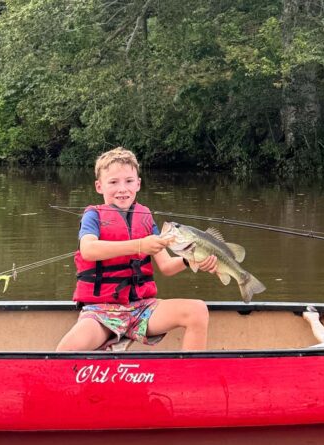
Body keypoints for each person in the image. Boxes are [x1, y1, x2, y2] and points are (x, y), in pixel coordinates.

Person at [56, 147, 218, 351]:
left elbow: (167, 266)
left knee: (197, 310)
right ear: (99, 186)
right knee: (66, 350)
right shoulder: (93, 216)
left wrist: (191, 260)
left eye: (129, 181)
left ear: (138, 184)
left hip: (142, 309)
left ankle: (190, 377)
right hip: (101, 312)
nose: (122, 189)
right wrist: (140, 245)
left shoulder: (145, 218)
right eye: (113, 182)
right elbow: (88, 249)